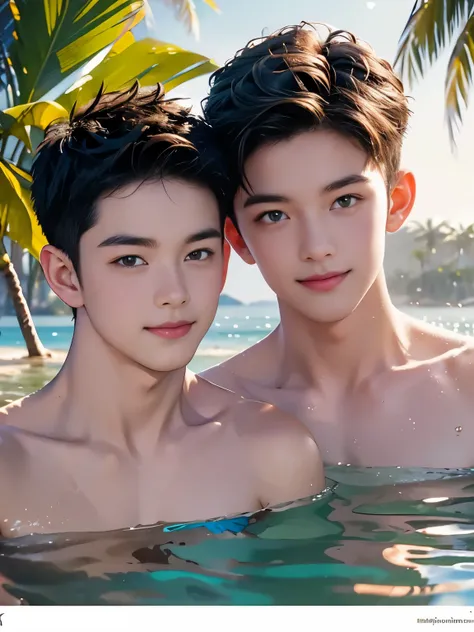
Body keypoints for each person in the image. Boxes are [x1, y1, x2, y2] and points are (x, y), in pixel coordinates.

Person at [0, 83, 324, 539]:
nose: (174, 293)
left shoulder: (272, 451)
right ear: (65, 276)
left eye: (197, 254)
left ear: (225, 259)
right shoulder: (8, 469)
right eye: (130, 259)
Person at [200, 23, 474, 469]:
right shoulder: (204, 416)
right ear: (238, 238)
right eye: (275, 215)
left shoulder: (470, 390)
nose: (316, 246)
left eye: (344, 201)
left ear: (397, 203)